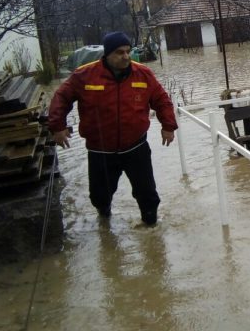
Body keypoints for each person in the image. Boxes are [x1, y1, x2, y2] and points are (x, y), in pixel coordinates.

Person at [48, 31, 178, 225]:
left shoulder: (143, 73)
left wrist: (168, 126)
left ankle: (151, 228)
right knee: (99, 196)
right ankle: (105, 219)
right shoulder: (85, 75)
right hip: (100, 150)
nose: (126, 56)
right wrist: (57, 127)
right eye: (119, 52)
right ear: (107, 54)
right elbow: (61, 98)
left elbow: (162, 100)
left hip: (136, 148)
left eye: (128, 51)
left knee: (147, 194)